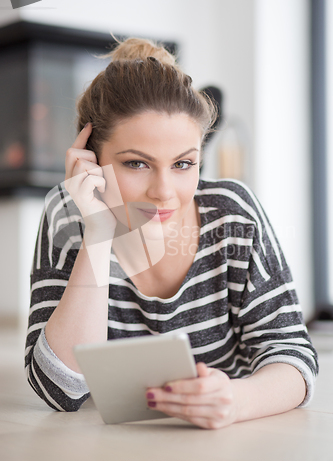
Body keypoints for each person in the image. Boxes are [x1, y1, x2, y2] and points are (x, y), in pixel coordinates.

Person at [25, 38, 318, 430]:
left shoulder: (233, 214)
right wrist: (97, 231)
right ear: (91, 160)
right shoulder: (68, 214)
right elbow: (57, 389)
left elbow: (293, 355)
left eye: (183, 163)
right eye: (137, 164)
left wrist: (236, 401)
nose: (164, 192)